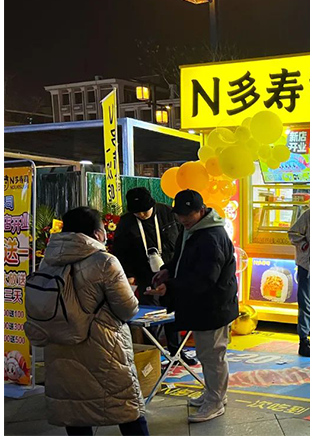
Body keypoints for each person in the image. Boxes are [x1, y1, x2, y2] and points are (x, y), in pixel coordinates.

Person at [40, 207, 149, 436]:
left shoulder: (48, 261)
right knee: (126, 407)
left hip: (60, 345)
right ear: (98, 233)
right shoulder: (105, 262)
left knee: (74, 408)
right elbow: (128, 308)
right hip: (104, 348)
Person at [147, 190, 238, 423]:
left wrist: (171, 287)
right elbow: (181, 259)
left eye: (188, 215)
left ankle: (215, 402)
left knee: (213, 354)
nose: (183, 219)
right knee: (207, 353)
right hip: (202, 304)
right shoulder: (193, 230)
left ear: (202, 210)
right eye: (179, 215)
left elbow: (205, 278)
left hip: (213, 305)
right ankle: (214, 393)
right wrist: (167, 270)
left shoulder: (211, 236)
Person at [112, 187, 193, 364]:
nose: (142, 215)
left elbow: (183, 239)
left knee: (172, 313)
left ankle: (177, 352)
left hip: (170, 271)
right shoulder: (126, 222)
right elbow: (120, 252)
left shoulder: (168, 214)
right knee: (150, 316)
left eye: (145, 211)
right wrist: (129, 274)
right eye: (137, 212)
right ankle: (153, 356)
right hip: (144, 275)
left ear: (152, 205)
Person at [287, 195, 310, 357]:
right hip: (307, 265)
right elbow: (293, 232)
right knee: (306, 303)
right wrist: (304, 244)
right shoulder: (308, 215)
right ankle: (304, 340)